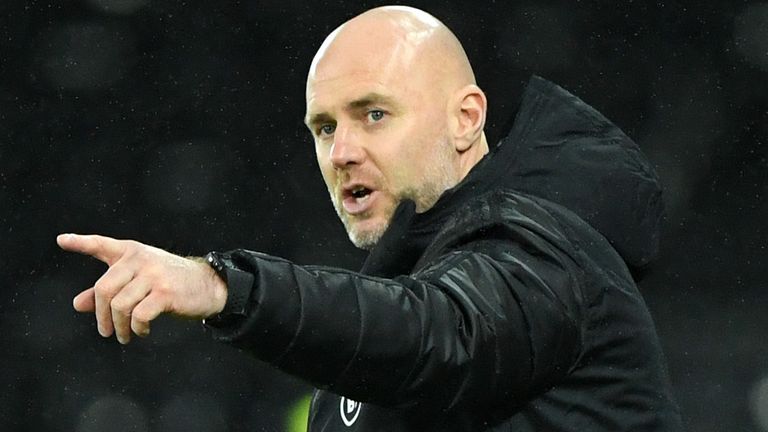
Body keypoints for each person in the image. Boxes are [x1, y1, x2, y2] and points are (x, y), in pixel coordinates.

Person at [57, 5, 683, 431]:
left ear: (466, 119)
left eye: (373, 114)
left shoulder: (548, 250)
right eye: (324, 127)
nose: (341, 151)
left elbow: (446, 337)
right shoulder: (379, 326)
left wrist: (224, 286)